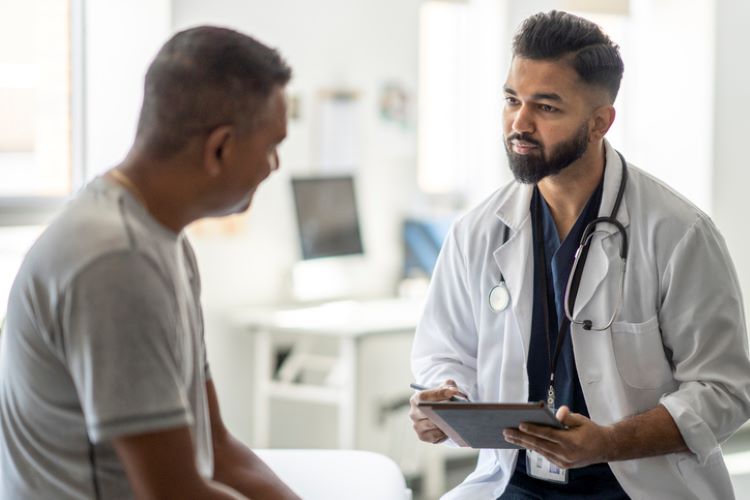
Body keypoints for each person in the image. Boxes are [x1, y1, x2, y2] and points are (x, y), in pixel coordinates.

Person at [409, 10, 750, 500]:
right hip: (516, 483)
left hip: (636, 485)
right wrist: (443, 403)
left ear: (599, 123)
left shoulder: (678, 233)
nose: (519, 123)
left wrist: (608, 443)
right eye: (511, 100)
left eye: (545, 108)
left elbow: (724, 390)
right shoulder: (478, 232)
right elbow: (444, 352)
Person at [0, 26, 300, 499]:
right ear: (219, 148)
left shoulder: (166, 242)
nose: (274, 166)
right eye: (270, 146)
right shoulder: (113, 262)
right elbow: (175, 493)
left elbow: (215, 449)